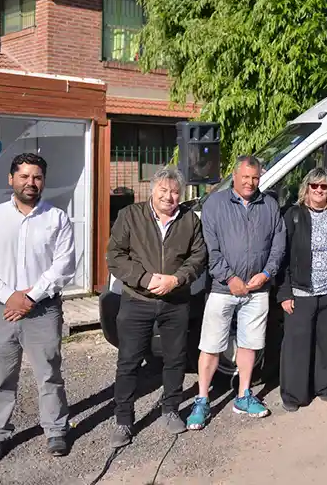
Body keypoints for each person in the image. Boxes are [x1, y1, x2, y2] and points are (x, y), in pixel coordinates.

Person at [107, 167, 206, 448]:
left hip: (176, 300)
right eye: (163, 190)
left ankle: (171, 409)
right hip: (137, 300)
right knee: (129, 361)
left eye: (174, 192)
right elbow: (115, 256)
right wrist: (145, 279)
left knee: (175, 358)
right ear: (152, 190)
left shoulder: (189, 220)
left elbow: (198, 257)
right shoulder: (130, 215)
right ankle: (123, 420)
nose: (169, 197)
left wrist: (177, 279)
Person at [187, 156, 286, 430]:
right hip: (223, 288)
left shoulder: (269, 204)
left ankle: (243, 395)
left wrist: (266, 274)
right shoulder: (215, 204)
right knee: (211, 345)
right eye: (245, 177)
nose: (250, 183)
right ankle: (202, 399)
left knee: (250, 344)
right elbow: (210, 248)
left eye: (255, 178)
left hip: (257, 288)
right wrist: (229, 278)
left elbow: (278, 244)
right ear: (234, 175)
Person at [0, 153, 75, 458]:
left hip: (43, 309)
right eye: (24, 176)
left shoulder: (57, 218)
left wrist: (30, 298)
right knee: (1, 375)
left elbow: (64, 265)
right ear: (11, 179)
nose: (31, 182)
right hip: (2, 309)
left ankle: (56, 430)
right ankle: (0, 432)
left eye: (37, 177)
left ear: (43, 181)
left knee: (48, 373)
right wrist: (10, 296)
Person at [278, 168, 327, 412]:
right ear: (306, 188)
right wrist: (284, 293)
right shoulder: (294, 215)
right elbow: (282, 256)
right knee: (297, 344)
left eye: (324, 186)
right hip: (301, 291)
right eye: (314, 186)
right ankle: (293, 394)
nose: (319, 190)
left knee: (326, 342)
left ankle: (322, 386)